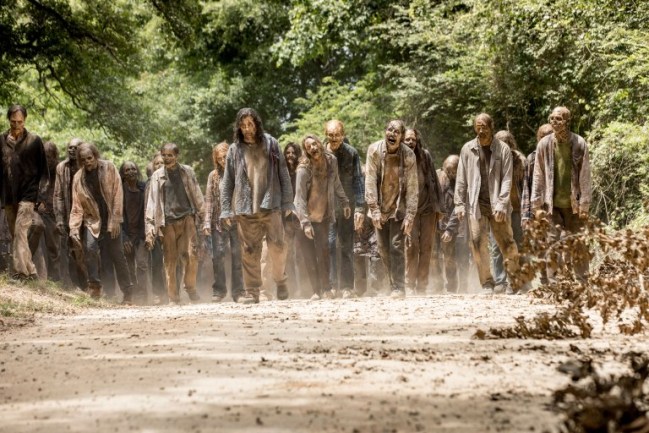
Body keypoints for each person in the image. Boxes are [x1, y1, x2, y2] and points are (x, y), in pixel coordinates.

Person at [220, 108, 294, 304]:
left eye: (250, 125)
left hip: (271, 204)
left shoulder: (271, 143)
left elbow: (283, 173)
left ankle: (280, 279)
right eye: (243, 126)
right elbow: (227, 181)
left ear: (257, 125)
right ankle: (252, 291)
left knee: (278, 247)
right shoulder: (234, 150)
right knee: (250, 251)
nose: (247, 129)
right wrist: (225, 209)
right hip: (245, 208)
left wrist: (288, 201)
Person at [454, 113, 520, 294]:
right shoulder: (467, 149)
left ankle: (514, 281)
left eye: (484, 126)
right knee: (477, 243)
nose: (481, 130)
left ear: (491, 127)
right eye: (478, 126)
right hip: (476, 204)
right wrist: (459, 204)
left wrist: (502, 203)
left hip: (498, 203)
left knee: (507, 243)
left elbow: (507, 179)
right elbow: (461, 178)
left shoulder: (503, 149)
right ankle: (487, 283)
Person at [531, 107, 591, 283]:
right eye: (552, 118)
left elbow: (585, 174)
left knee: (578, 242)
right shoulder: (544, 144)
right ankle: (555, 283)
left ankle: (582, 281)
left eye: (558, 119)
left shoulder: (579, 143)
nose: (554, 122)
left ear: (567, 121)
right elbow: (538, 174)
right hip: (552, 204)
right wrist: (536, 205)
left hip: (574, 205)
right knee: (552, 242)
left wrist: (585, 204)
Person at [69, 143, 134, 303]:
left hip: (111, 219)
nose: (87, 162)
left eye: (90, 158)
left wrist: (116, 220)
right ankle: (95, 287)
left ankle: (128, 292)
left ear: (95, 156)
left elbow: (118, 194)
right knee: (90, 248)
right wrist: (74, 228)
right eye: (84, 160)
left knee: (118, 256)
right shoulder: (78, 178)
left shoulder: (109, 168)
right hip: (92, 220)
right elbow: (76, 206)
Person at [145, 143, 204, 305]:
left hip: (187, 218)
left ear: (177, 156)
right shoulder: (157, 176)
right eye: (164, 155)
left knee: (191, 255)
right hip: (167, 222)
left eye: (170, 155)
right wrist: (150, 227)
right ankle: (173, 297)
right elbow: (152, 203)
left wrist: (204, 217)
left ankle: (190, 287)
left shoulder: (187, 171)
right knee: (170, 260)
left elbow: (197, 194)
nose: (167, 158)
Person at [365, 120, 418, 299]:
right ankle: (390, 283)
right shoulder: (374, 150)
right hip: (380, 207)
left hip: (398, 207)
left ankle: (399, 287)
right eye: (389, 130)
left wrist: (410, 215)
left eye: (396, 132)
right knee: (383, 249)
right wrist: (374, 209)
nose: (392, 134)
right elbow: (370, 181)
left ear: (402, 137)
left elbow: (412, 187)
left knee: (396, 245)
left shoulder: (409, 155)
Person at [294, 135, 349, 300]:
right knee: (309, 256)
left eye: (314, 143)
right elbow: (299, 198)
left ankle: (326, 288)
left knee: (324, 252)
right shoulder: (303, 169)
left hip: (323, 216)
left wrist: (345, 201)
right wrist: (305, 223)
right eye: (308, 146)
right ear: (306, 151)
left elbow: (336, 182)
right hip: (303, 218)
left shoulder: (331, 161)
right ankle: (316, 291)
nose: (313, 148)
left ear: (320, 143)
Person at [0, 105, 47, 280]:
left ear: (25, 120)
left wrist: (41, 197)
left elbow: (44, 171)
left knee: (21, 230)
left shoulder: (34, 141)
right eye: (13, 121)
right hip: (9, 194)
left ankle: (20, 273)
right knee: (16, 234)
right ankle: (31, 271)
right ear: (8, 120)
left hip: (28, 194)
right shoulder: (1, 140)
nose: (16, 125)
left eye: (20, 122)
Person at [324, 120, 365, 299]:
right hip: (327, 207)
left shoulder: (352, 153)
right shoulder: (320, 153)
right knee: (330, 244)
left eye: (337, 135)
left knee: (346, 246)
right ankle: (331, 286)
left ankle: (347, 287)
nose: (334, 138)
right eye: (330, 135)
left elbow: (358, 180)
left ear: (343, 135)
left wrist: (360, 208)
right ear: (326, 135)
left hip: (347, 206)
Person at [403, 128, 444, 295]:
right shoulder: (399, 157)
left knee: (426, 247)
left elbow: (434, 180)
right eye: (407, 139)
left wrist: (440, 208)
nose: (410, 142)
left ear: (417, 140)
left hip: (428, 207)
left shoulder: (425, 155)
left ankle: (422, 286)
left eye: (413, 139)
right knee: (411, 246)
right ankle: (409, 284)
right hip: (409, 211)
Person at [203, 142, 244, 303]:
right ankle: (219, 290)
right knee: (218, 256)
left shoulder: (239, 172)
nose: (222, 161)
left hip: (237, 221)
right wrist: (206, 222)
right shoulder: (213, 176)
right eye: (219, 158)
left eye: (225, 157)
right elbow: (209, 200)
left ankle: (238, 291)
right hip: (218, 221)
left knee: (237, 256)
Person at [488, 130, 528, 293]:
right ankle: (500, 281)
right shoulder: (491, 159)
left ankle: (522, 281)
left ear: (511, 143)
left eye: (506, 143)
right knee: (497, 246)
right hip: (498, 210)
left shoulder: (520, 160)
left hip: (517, 208)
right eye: (500, 143)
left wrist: (527, 211)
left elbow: (526, 187)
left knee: (519, 244)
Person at [54, 138, 88, 290]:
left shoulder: (87, 165)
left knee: (89, 249)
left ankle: (92, 283)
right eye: (70, 147)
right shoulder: (62, 167)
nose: (72, 150)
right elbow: (58, 195)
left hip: (87, 216)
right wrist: (59, 219)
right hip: (69, 215)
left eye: (76, 147)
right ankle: (77, 285)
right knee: (71, 251)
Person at [437, 155, 470, 293]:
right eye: (448, 170)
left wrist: (450, 229)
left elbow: (460, 206)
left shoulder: (464, 180)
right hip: (443, 224)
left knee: (463, 257)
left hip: (461, 224)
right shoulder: (439, 177)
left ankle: (464, 287)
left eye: (454, 171)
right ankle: (450, 287)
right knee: (448, 257)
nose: (451, 174)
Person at [29, 141, 61, 282]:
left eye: (49, 156)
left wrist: (48, 205)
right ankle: (27, 269)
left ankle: (55, 279)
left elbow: (58, 193)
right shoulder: (35, 169)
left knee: (53, 247)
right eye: (44, 156)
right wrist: (37, 204)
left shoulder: (59, 171)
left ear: (54, 156)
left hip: (53, 213)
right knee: (35, 232)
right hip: (35, 210)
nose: (46, 160)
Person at [120, 161, 149, 304]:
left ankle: (143, 295)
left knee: (142, 264)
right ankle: (132, 293)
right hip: (126, 234)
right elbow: (117, 215)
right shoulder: (120, 191)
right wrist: (123, 237)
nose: (131, 171)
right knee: (129, 266)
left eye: (133, 168)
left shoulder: (144, 188)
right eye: (127, 170)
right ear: (123, 174)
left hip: (142, 233)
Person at [282, 142, 304, 297]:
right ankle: (292, 288)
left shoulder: (301, 170)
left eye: (293, 152)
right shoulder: (282, 171)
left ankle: (304, 288)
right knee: (288, 253)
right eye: (288, 152)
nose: (290, 155)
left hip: (300, 217)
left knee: (301, 254)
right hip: (285, 218)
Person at [145, 152, 166, 304]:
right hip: (155, 227)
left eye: (161, 163)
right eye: (156, 163)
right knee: (156, 261)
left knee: (173, 260)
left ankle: (173, 291)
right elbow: (147, 208)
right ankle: (158, 293)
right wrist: (149, 229)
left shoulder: (172, 180)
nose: (159, 166)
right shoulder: (149, 184)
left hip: (171, 225)